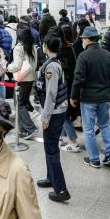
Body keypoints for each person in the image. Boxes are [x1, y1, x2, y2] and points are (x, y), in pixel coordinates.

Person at [71, 26, 110, 168]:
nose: (82, 41)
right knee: (104, 125)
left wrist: (73, 96)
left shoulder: (83, 56)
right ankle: (109, 154)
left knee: (89, 128)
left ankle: (94, 159)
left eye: (83, 38)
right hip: (104, 97)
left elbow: (78, 79)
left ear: (87, 39)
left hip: (88, 98)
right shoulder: (107, 55)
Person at [35, 33, 71, 202]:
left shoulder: (51, 67)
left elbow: (51, 93)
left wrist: (45, 117)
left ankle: (61, 189)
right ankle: (51, 178)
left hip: (54, 112)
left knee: (51, 150)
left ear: (47, 47)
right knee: (50, 147)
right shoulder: (54, 63)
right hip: (57, 110)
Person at [7, 28, 38, 139]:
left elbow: (17, 65)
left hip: (20, 79)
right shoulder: (33, 47)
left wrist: (8, 67)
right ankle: (23, 129)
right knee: (22, 103)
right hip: (30, 79)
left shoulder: (19, 48)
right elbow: (34, 65)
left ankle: (30, 128)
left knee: (20, 104)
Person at [52, 26, 80, 152]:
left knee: (63, 115)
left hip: (62, 85)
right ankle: (62, 137)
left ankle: (73, 142)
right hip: (71, 84)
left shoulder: (58, 51)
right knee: (64, 112)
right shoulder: (70, 47)